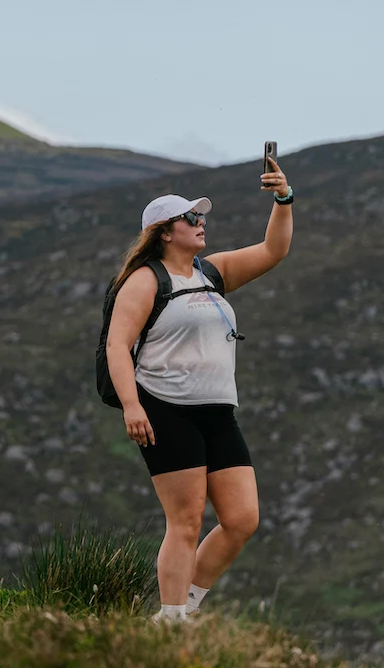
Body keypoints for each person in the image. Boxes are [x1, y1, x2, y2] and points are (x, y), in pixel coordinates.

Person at [104, 159, 293, 622]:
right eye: (191, 217)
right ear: (165, 232)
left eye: (201, 215)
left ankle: (185, 605)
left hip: (218, 413)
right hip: (166, 410)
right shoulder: (145, 280)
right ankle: (171, 619)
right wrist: (131, 406)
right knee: (186, 521)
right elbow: (116, 345)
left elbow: (274, 250)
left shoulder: (212, 271)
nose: (200, 221)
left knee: (242, 519)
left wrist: (283, 198)